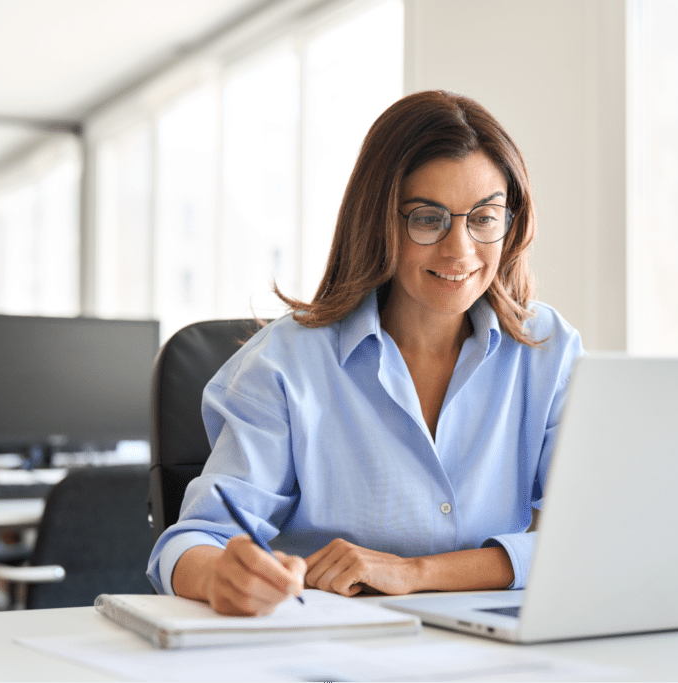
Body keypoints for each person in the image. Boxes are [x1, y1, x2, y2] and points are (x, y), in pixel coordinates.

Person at [147, 90, 584, 616]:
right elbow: (187, 544)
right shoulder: (286, 364)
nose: (460, 251)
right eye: (427, 218)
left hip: (494, 648)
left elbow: (588, 540)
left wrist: (416, 574)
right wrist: (222, 574)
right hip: (331, 647)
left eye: (485, 217)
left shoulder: (547, 350)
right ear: (378, 220)